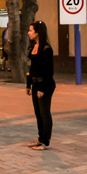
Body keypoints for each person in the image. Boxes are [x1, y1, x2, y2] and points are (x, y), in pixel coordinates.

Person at [26, 21, 55, 150]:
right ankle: (40, 138)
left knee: (44, 113)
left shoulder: (46, 49)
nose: (29, 33)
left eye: (31, 30)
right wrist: (28, 85)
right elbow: (31, 68)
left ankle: (45, 141)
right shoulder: (33, 47)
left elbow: (49, 71)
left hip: (45, 85)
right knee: (38, 113)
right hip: (35, 84)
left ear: (37, 32)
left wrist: (43, 88)